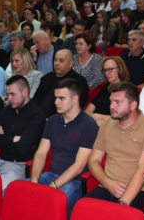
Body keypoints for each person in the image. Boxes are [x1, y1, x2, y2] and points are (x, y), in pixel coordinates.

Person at [86, 81, 144, 214]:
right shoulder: (107, 123)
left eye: (118, 102)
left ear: (133, 105)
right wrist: (108, 183)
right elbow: (93, 161)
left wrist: (122, 203)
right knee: (80, 211)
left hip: (138, 192)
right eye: (111, 101)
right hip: (107, 187)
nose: (112, 106)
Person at [31, 78, 99, 214]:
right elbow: (41, 153)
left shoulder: (88, 125)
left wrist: (53, 186)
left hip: (74, 181)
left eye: (61, 98)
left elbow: (79, 165)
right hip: (50, 175)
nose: (56, 102)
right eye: (56, 98)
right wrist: (34, 180)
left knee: (49, 206)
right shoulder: (53, 120)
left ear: (75, 99)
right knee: (12, 193)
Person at [0, 75, 45, 190]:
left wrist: (2, 137)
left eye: (13, 94)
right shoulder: (7, 110)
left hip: (17, 165)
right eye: (8, 94)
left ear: (25, 92)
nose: (9, 98)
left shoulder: (37, 115)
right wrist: (13, 138)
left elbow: (23, 148)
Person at [32, 49, 89, 118]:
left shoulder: (78, 81)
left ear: (70, 64)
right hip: (39, 117)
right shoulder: (46, 78)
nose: (56, 63)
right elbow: (35, 101)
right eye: (55, 60)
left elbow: (76, 107)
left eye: (61, 61)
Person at [85, 56, 129, 126]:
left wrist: (99, 117)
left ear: (120, 69)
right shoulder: (102, 87)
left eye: (110, 69)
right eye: (105, 70)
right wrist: (94, 120)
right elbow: (88, 110)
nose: (106, 73)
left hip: (114, 127)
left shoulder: (128, 90)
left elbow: (124, 118)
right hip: (95, 123)